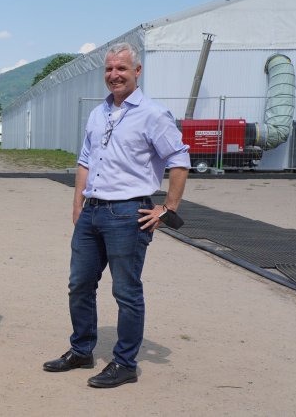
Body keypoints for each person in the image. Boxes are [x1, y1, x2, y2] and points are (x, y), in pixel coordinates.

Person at [42, 42, 190, 387]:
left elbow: (179, 160)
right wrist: (78, 205)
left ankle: (125, 363)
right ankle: (81, 350)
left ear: (137, 72)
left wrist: (168, 209)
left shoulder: (153, 114)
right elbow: (84, 160)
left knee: (125, 290)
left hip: (128, 213)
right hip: (92, 212)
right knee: (79, 284)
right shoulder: (98, 113)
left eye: (121, 69)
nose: (114, 75)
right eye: (109, 69)